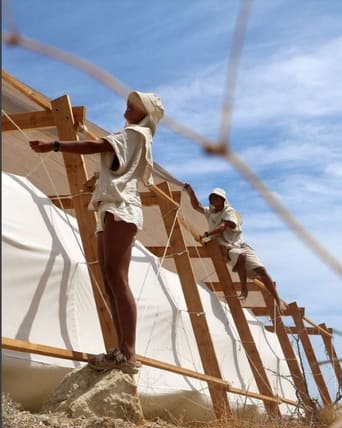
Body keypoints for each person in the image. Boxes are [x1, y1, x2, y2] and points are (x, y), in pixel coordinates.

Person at [29, 91, 164, 373]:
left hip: (121, 208)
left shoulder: (136, 134)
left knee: (117, 276)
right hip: (110, 208)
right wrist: (97, 180)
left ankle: (129, 354)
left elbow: (95, 146)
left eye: (135, 105)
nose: (128, 107)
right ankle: (119, 351)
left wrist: (54, 145)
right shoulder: (132, 136)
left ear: (145, 114)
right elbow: (116, 167)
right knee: (108, 278)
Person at [184, 184, 287, 313]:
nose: (215, 200)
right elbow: (196, 206)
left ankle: (277, 299)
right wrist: (190, 191)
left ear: (223, 200)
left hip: (239, 244)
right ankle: (244, 289)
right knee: (241, 256)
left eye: (218, 198)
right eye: (213, 198)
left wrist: (206, 234)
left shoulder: (229, 211)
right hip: (225, 245)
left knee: (261, 270)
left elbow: (224, 225)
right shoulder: (210, 212)